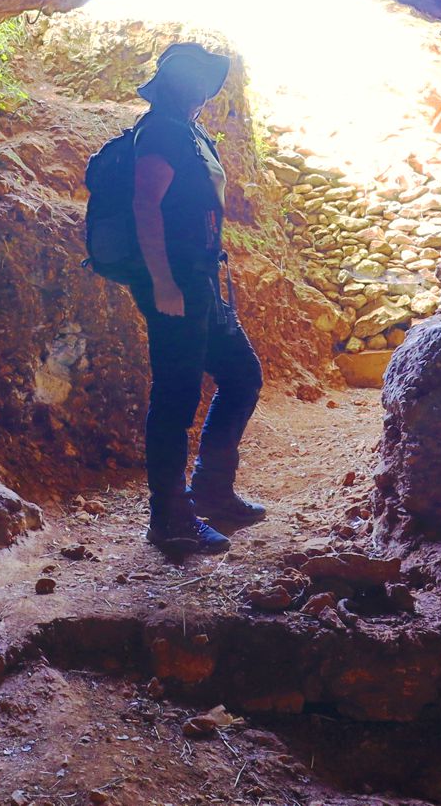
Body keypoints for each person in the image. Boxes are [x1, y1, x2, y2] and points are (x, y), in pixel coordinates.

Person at [127, 42, 266, 555]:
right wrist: (162, 283)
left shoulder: (189, 129)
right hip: (176, 283)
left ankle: (209, 489)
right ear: (178, 86)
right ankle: (169, 518)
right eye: (197, 83)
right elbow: (146, 207)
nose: (204, 93)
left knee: (241, 375)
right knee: (175, 399)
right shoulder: (161, 129)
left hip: (200, 280)